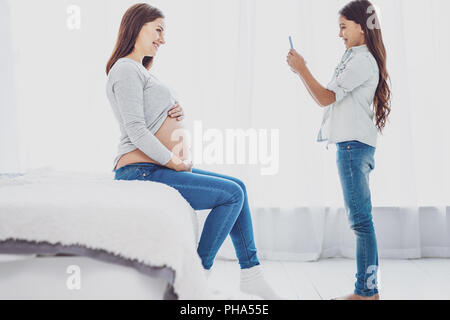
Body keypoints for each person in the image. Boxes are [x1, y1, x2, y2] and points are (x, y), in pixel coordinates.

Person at [105, 3, 280, 300]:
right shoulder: (124, 69)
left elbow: (150, 116)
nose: (163, 39)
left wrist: (173, 109)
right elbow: (135, 129)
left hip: (155, 167)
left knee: (239, 187)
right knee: (232, 195)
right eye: (158, 30)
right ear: (138, 25)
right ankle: (196, 277)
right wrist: (173, 160)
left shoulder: (138, 70)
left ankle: (252, 274)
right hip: (140, 171)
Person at [287, 0, 391, 300]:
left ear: (361, 26)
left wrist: (302, 68)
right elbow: (327, 98)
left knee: (361, 221)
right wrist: (301, 71)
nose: (340, 34)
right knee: (361, 220)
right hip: (352, 146)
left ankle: (366, 294)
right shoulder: (354, 56)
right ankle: (367, 292)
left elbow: (325, 97)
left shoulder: (362, 60)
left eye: (344, 27)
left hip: (352, 147)